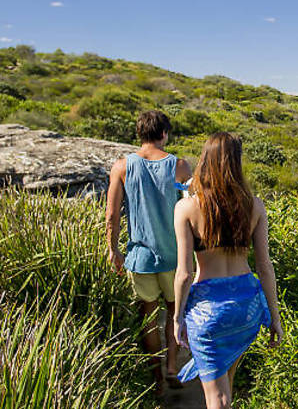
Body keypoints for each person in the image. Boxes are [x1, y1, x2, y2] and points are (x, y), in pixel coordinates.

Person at [172, 132, 283, 409]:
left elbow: (184, 273)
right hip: (247, 306)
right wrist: (275, 317)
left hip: (209, 312)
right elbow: (265, 267)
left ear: (205, 160)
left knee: (217, 399)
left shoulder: (186, 208)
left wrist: (177, 317)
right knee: (227, 385)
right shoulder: (254, 205)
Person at [105, 110, 192, 395]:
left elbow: (112, 215)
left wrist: (113, 250)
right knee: (174, 311)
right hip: (174, 256)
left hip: (140, 257)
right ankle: (172, 367)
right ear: (164, 133)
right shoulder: (179, 166)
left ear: (139, 133)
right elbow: (194, 210)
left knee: (148, 318)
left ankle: (155, 381)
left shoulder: (121, 167)